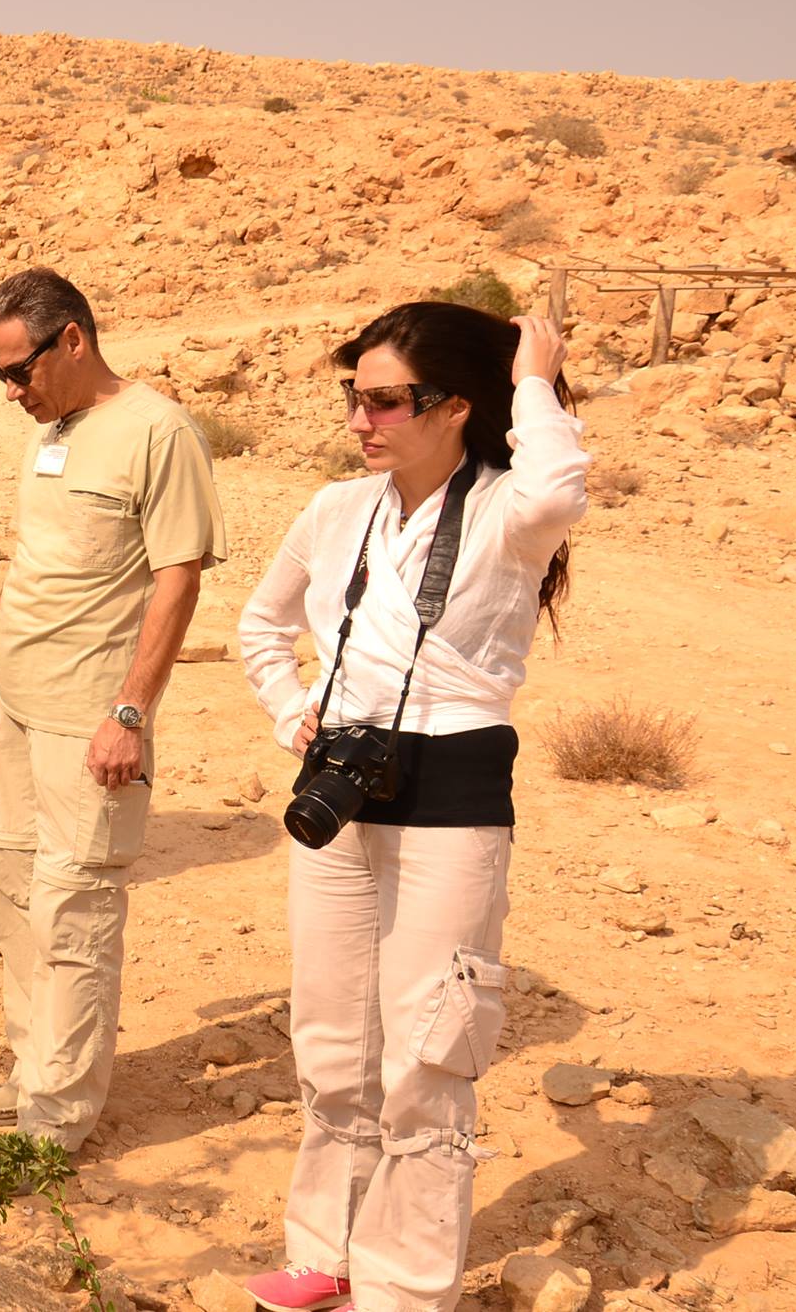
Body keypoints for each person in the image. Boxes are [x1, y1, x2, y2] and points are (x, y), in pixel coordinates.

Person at [235, 306, 585, 1312]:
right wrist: (291, 710)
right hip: (337, 791)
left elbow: (559, 478)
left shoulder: (507, 512)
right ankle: (323, 1248)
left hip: (454, 794)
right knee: (332, 1038)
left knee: (430, 1050)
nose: (360, 420)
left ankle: (404, 1286)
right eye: (355, 396)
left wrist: (534, 376)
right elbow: (260, 624)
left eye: (384, 399)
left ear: (454, 407)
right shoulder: (336, 509)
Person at [0, 268, 227, 1151]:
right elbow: (32, 570)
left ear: (72, 340)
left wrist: (129, 713)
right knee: (10, 889)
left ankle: (56, 1120)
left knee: (75, 910)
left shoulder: (158, 431)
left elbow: (178, 577)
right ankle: (36, 1074)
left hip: (90, 722)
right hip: (20, 711)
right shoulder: (49, 432)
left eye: (18, 371)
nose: (10, 391)